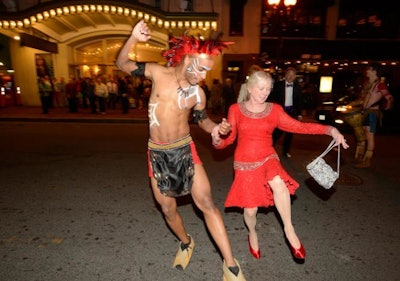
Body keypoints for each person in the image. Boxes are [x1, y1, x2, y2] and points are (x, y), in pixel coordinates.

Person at [116, 20, 246, 281]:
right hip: (158, 153)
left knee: (207, 203)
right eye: (202, 69)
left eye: (208, 71)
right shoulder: (157, 73)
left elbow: (202, 120)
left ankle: (231, 266)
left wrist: (215, 130)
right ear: (187, 61)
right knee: (167, 209)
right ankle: (186, 242)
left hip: (185, 150)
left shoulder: (198, 93)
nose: (204, 77)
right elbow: (122, 64)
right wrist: (132, 39)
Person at [212, 71, 349, 261]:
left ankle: (289, 229)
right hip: (244, 163)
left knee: (278, 181)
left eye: (268, 89)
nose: (265, 92)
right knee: (250, 211)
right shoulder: (235, 109)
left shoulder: (274, 110)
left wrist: (330, 130)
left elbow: (299, 127)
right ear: (250, 89)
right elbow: (229, 140)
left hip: (268, 156)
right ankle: (252, 232)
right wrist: (218, 137)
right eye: (261, 88)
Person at [353, 63, 392, 168]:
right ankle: (359, 157)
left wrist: (388, 105)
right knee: (362, 134)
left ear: (374, 71)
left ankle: (367, 161)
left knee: (370, 136)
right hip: (364, 112)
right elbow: (363, 99)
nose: (367, 71)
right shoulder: (367, 84)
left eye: (369, 69)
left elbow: (389, 97)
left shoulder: (380, 85)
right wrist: (353, 104)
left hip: (372, 113)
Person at [268, 67, 303, 158]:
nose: (291, 77)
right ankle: (269, 149)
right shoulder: (278, 85)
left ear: (295, 76)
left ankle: (286, 152)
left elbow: (299, 101)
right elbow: (272, 98)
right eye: (289, 75)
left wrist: (299, 114)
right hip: (280, 112)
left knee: (289, 134)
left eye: (293, 75)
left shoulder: (298, 87)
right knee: (277, 132)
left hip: (291, 112)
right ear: (285, 75)